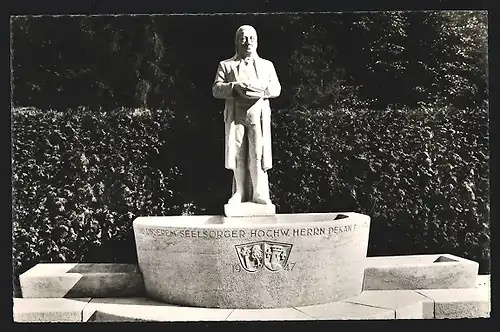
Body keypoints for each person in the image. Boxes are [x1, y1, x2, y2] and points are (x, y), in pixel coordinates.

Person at [212, 25, 281, 205]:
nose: (248, 42)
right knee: (238, 154)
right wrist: (234, 87)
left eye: (251, 38)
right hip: (236, 115)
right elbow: (216, 90)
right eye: (243, 38)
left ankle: (259, 192)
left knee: (257, 153)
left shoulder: (267, 65)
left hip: (257, 115)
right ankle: (240, 193)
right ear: (237, 41)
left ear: (257, 42)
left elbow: (276, 88)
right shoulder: (226, 65)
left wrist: (261, 90)